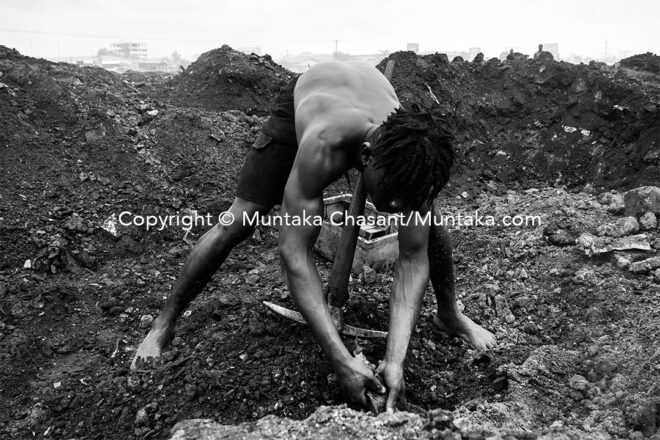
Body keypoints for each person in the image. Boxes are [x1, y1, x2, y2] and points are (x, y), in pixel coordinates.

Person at [131, 60, 496, 412]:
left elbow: (413, 259)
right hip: (309, 101)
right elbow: (294, 253)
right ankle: (163, 323)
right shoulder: (322, 144)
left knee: (426, 221)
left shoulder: (409, 156)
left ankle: (448, 313)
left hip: (372, 100)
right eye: (392, 197)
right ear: (366, 157)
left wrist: (395, 357)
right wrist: (341, 360)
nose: (395, 209)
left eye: (405, 201)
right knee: (239, 218)